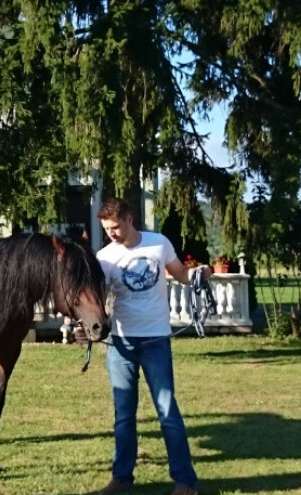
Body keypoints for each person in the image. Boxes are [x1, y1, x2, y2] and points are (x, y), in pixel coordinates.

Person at [81, 198, 206, 495]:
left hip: (156, 342)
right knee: (124, 416)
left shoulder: (158, 244)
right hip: (121, 346)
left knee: (167, 412)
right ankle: (121, 477)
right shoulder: (105, 257)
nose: (111, 233)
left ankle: (185, 482)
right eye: (106, 229)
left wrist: (199, 274)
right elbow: (97, 300)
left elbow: (182, 275)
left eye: (114, 227)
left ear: (129, 219)